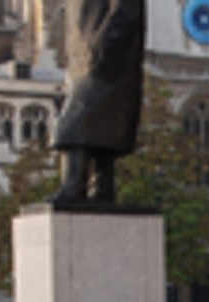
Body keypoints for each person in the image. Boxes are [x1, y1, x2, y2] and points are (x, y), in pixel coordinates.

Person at [51, 0, 147, 206]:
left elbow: (126, 12)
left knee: (76, 127)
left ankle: (74, 186)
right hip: (84, 64)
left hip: (107, 66)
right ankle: (102, 189)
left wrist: (101, 46)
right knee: (100, 134)